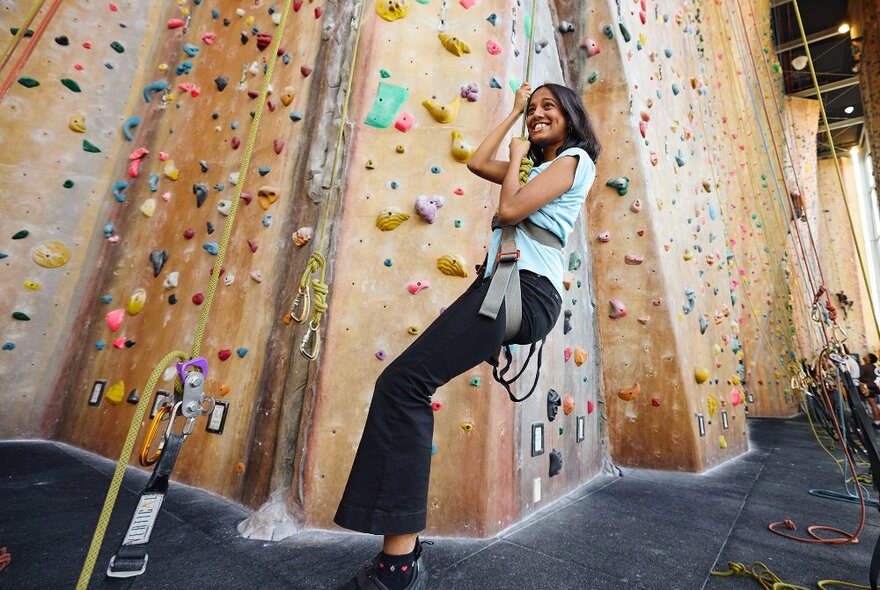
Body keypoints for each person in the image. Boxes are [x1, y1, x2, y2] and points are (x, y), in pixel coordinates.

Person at [334, 82, 601, 590]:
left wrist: (521, 155)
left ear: (571, 117)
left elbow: (509, 212)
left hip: (523, 289)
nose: (540, 113)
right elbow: (478, 163)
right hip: (505, 286)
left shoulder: (573, 161)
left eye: (550, 107)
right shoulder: (536, 166)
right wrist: (512, 117)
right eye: (536, 106)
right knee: (404, 383)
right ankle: (400, 554)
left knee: (403, 383)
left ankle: (397, 563)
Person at [860, 352, 880, 427]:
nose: (865, 355)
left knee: (873, 404)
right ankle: (877, 420)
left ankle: (877, 422)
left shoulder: (864, 367)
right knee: (875, 404)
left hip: (868, 387)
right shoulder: (874, 367)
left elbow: (858, 375)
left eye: (867, 355)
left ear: (869, 359)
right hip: (874, 387)